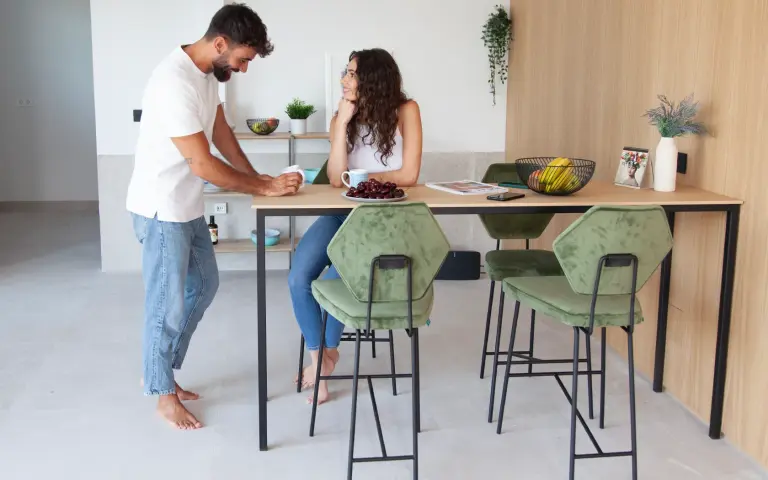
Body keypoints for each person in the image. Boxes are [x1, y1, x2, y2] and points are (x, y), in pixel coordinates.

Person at [127, 4, 302, 430]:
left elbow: (220, 132)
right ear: (220, 43)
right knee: (164, 306)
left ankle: (163, 372)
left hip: (185, 206)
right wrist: (262, 187)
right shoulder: (173, 82)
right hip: (161, 208)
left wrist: (255, 175)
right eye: (242, 59)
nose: (243, 69)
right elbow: (203, 164)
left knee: (204, 284)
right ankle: (161, 392)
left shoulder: (207, 76)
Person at [288, 48, 423, 405]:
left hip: (384, 220)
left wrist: (362, 182)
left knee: (336, 280)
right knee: (298, 278)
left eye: (351, 74)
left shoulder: (406, 112)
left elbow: (409, 175)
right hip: (341, 214)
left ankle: (321, 364)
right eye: (346, 73)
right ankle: (323, 359)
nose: (343, 80)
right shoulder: (341, 117)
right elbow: (335, 179)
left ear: (372, 80)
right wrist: (342, 124)